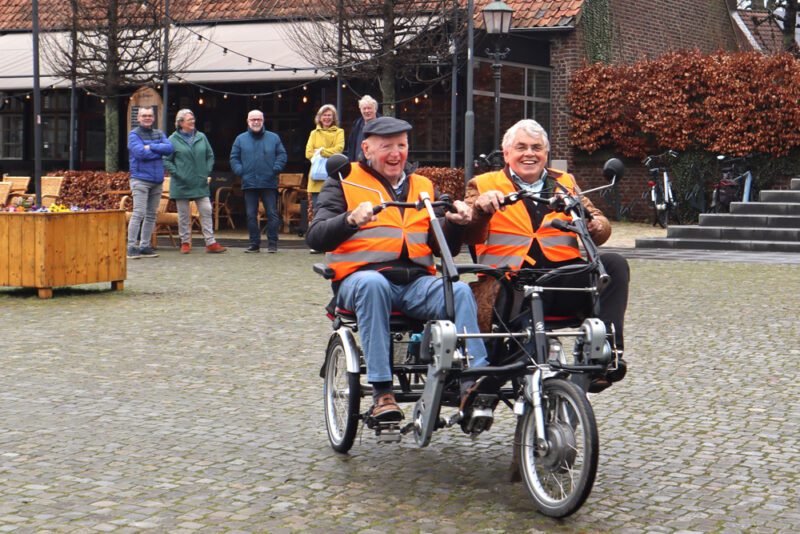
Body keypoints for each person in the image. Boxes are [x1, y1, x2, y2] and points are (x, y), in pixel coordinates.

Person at [306, 116, 489, 421]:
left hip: (416, 283)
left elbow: (438, 243)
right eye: (386, 146)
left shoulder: (422, 185)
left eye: (401, 145)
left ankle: (475, 382)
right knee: (372, 284)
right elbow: (316, 234)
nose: (396, 153)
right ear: (366, 148)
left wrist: (454, 225)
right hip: (359, 280)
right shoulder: (344, 180)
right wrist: (350, 219)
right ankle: (382, 393)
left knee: (458, 291)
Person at [464, 119, 629, 392]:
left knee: (614, 264)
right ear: (506, 154)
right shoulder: (484, 184)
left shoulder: (564, 183)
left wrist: (596, 224)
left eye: (536, 148)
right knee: (526, 298)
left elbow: (599, 222)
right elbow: (466, 230)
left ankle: (607, 352)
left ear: (546, 153)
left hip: (561, 279)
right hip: (509, 284)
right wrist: (480, 209)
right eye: (521, 147)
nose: (530, 153)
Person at [162, 109, 226, 255]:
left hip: (200, 182)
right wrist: (177, 173)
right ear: (180, 123)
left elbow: (210, 155)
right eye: (189, 119)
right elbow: (166, 159)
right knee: (184, 214)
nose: (193, 121)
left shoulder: (201, 136)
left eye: (193, 119)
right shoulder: (172, 140)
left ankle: (210, 242)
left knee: (206, 210)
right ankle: (185, 242)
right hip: (181, 183)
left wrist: (207, 171)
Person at [230, 110, 287, 253]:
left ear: (263, 121)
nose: (256, 122)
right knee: (250, 215)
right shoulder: (240, 139)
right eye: (253, 119)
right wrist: (240, 171)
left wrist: (276, 168)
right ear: (248, 121)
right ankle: (254, 244)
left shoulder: (274, 138)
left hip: (269, 182)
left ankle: (272, 243)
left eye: (258, 119)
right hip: (249, 183)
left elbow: (282, 155)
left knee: (272, 213)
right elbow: (234, 157)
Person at [127, 106, 173, 259]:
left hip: (156, 180)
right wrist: (158, 151)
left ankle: (145, 246)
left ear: (153, 118)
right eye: (144, 116)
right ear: (138, 118)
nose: (147, 118)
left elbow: (170, 148)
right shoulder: (133, 135)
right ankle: (131, 247)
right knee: (139, 213)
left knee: (151, 215)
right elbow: (140, 154)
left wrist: (151, 146)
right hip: (140, 180)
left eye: (150, 116)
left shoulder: (159, 133)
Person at [305, 104, 345, 215]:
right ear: (320, 117)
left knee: (331, 210)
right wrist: (329, 151)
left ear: (333, 118)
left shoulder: (339, 132)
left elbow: (339, 150)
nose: (327, 118)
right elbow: (308, 154)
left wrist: (320, 151)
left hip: (332, 176)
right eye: (324, 115)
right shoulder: (313, 133)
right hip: (315, 178)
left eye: (329, 115)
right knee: (315, 211)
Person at [345, 95, 379, 162]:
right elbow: (351, 147)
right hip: (358, 166)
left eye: (369, 108)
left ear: (375, 109)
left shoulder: (382, 124)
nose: (366, 111)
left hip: (376, 166)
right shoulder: (356, 125)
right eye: (364, 108)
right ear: (360, 110)